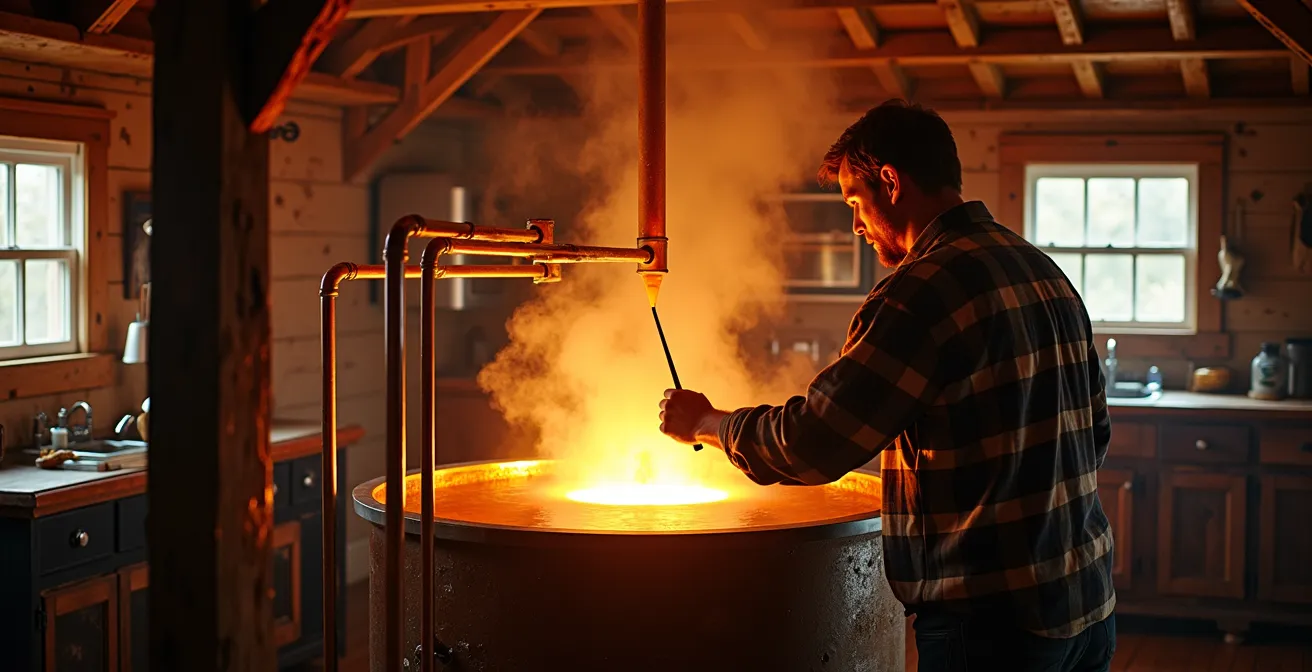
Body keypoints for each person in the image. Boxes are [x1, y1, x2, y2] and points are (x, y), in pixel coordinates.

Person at [657, 100, 1116, 672]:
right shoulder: (1042, 269)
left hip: (993, 626)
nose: (854, 223)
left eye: (855, 200)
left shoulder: (920, 290)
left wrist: (707, 423)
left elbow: (816, 441)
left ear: (891, 182)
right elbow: (1094, 434)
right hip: (1086, 605)